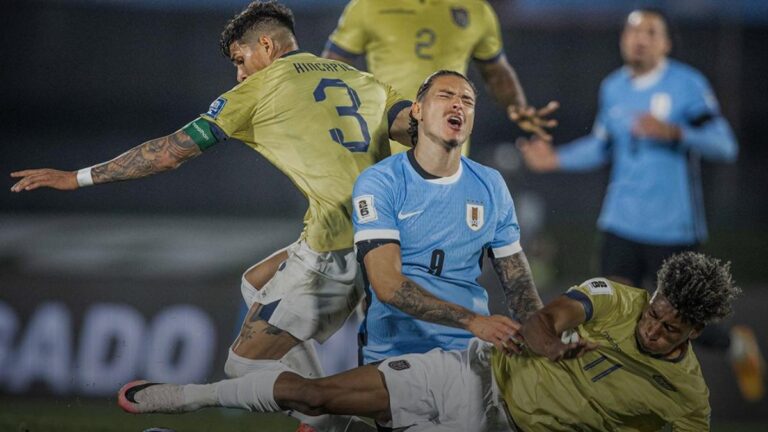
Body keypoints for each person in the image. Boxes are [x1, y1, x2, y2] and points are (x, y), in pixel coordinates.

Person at [10, 1, 414, 430]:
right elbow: (417, 130)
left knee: (242, 367)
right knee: (255, 283)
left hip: (335, 249)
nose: (239, 73)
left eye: (240, 60)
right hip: (386, 239)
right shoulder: (362, 80)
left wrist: (77, 178)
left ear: (265, 44)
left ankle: (338, 411)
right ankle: (324, 419)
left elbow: (168, 154)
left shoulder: (257, 91)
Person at [118, 251, 737, 432]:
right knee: (318, 396)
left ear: (696, 333)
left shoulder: (686, 404)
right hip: (472, 375)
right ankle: (182, 397)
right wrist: (549, 343)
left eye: (670, 329)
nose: (652, 328)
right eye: (656, 313)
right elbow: (546, 317)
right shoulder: (615, 299)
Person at [517, 8, 764, 401]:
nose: (639, 38)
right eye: (632, 31)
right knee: (612, 313)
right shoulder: (613, 87)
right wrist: (555, 158)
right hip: (620, 222)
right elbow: (602, 145)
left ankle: (734, 343)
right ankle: (618, 402)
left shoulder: (686, 84)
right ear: (622, 40)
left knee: (677, 321)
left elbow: (724, 144)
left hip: (673, 228)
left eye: (650, 32)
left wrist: (675, 131)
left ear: (665, 43)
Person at [351, 70, 543, 365]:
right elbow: (387, 284)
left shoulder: (490, 183)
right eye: (445, 95)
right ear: (417, 111)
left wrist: (544, 336)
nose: (458, 105)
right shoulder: (380, 181)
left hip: (470, 356)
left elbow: (518, 285)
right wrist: (472, 321)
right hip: (396, 355)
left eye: (467, 101)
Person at [323, 0, 559, 156]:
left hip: (448, 151)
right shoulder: (369, 6)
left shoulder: (476, 10)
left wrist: (517, 105)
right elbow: (334, 68)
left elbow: (496, 72)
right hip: (385, 148)